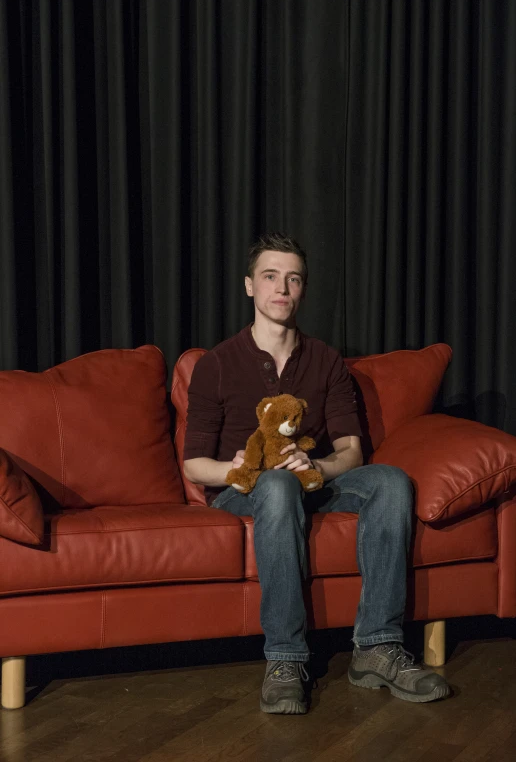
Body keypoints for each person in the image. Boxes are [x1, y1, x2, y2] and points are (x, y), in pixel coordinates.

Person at [183, 232, 450, 714]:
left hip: (312, 480)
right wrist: (236, 467)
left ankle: (377, 648)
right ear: (249, 286)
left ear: (302, 289)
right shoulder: (216, 364)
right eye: (270, 277)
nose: (281, 288)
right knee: (278, 484)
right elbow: (194, 464)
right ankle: (285, 659)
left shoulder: (326, 361)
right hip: (243, 492)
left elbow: (352, 450)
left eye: (293, 278)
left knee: (390, 480)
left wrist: (319, 465)